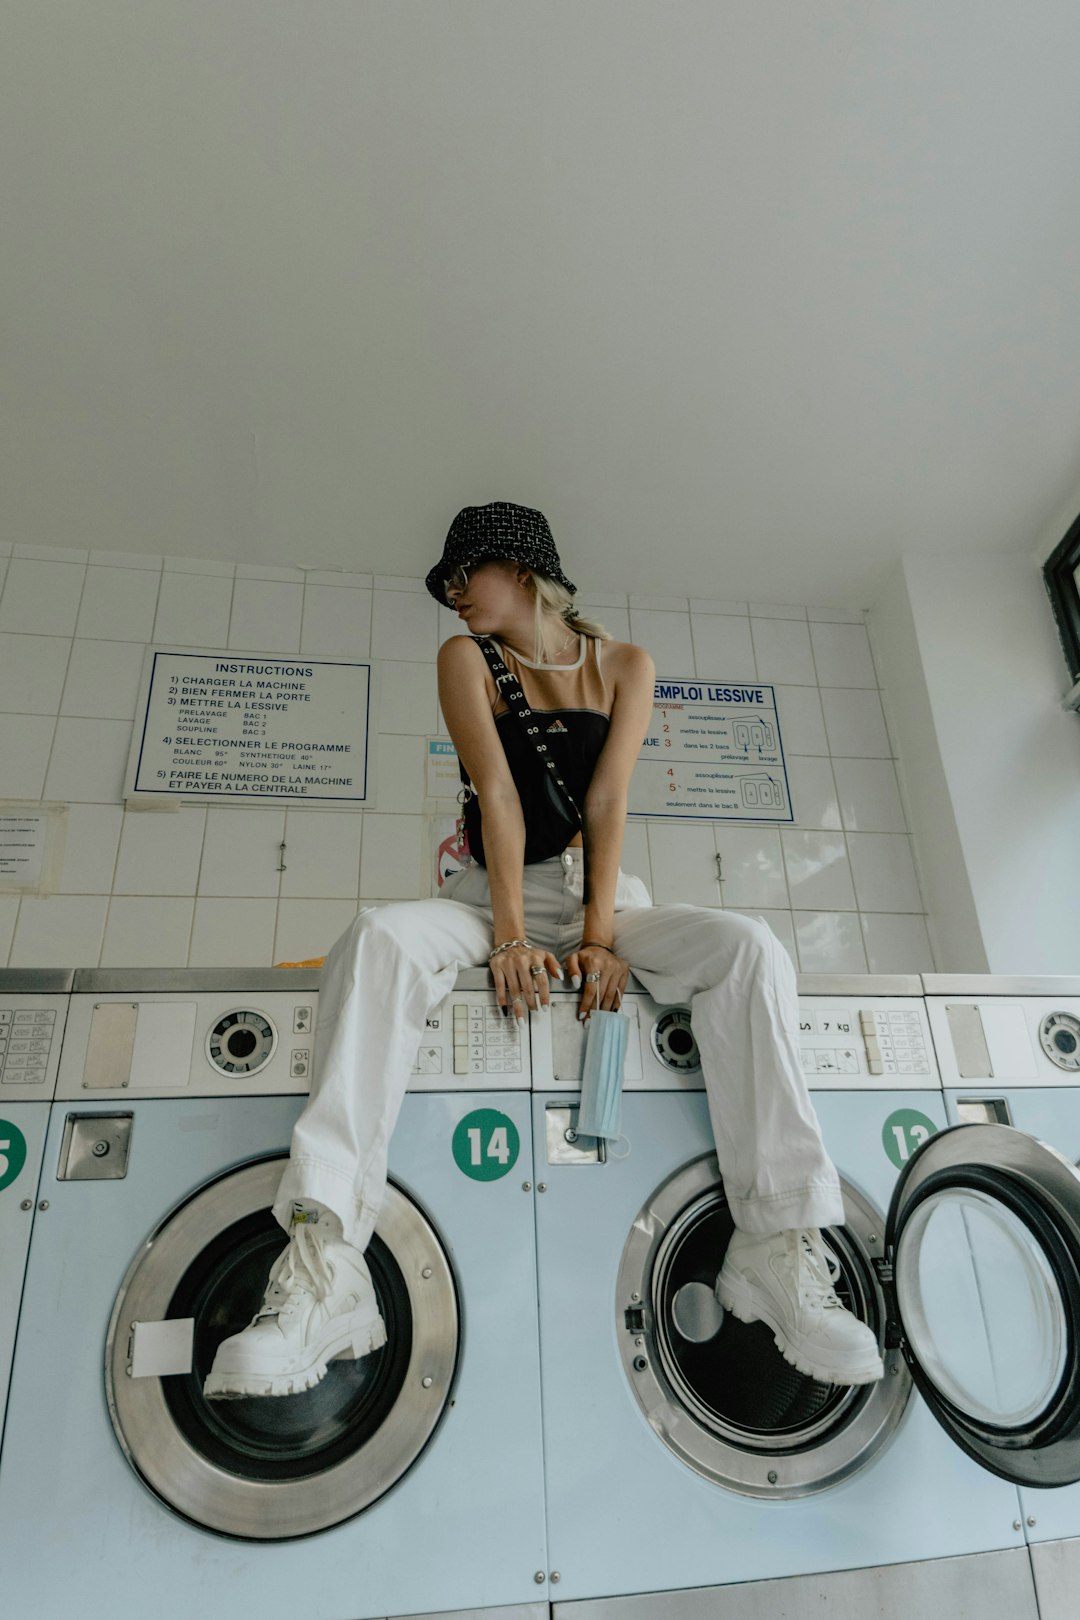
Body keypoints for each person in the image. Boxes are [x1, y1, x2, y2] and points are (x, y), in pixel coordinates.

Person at [204, 502, 884, 1399]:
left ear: (521, 572)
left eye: (463, 576)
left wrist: (601, 937)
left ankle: (774, 1246)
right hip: (493, 896)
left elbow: (606, 807)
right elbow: (498, 796)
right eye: (446, 584)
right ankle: (329, 1266)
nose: (451, 595)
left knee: (748, 948)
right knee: (377, 939)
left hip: (601, 896)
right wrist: (514, 936)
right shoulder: (466, 660)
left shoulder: (626, 666)